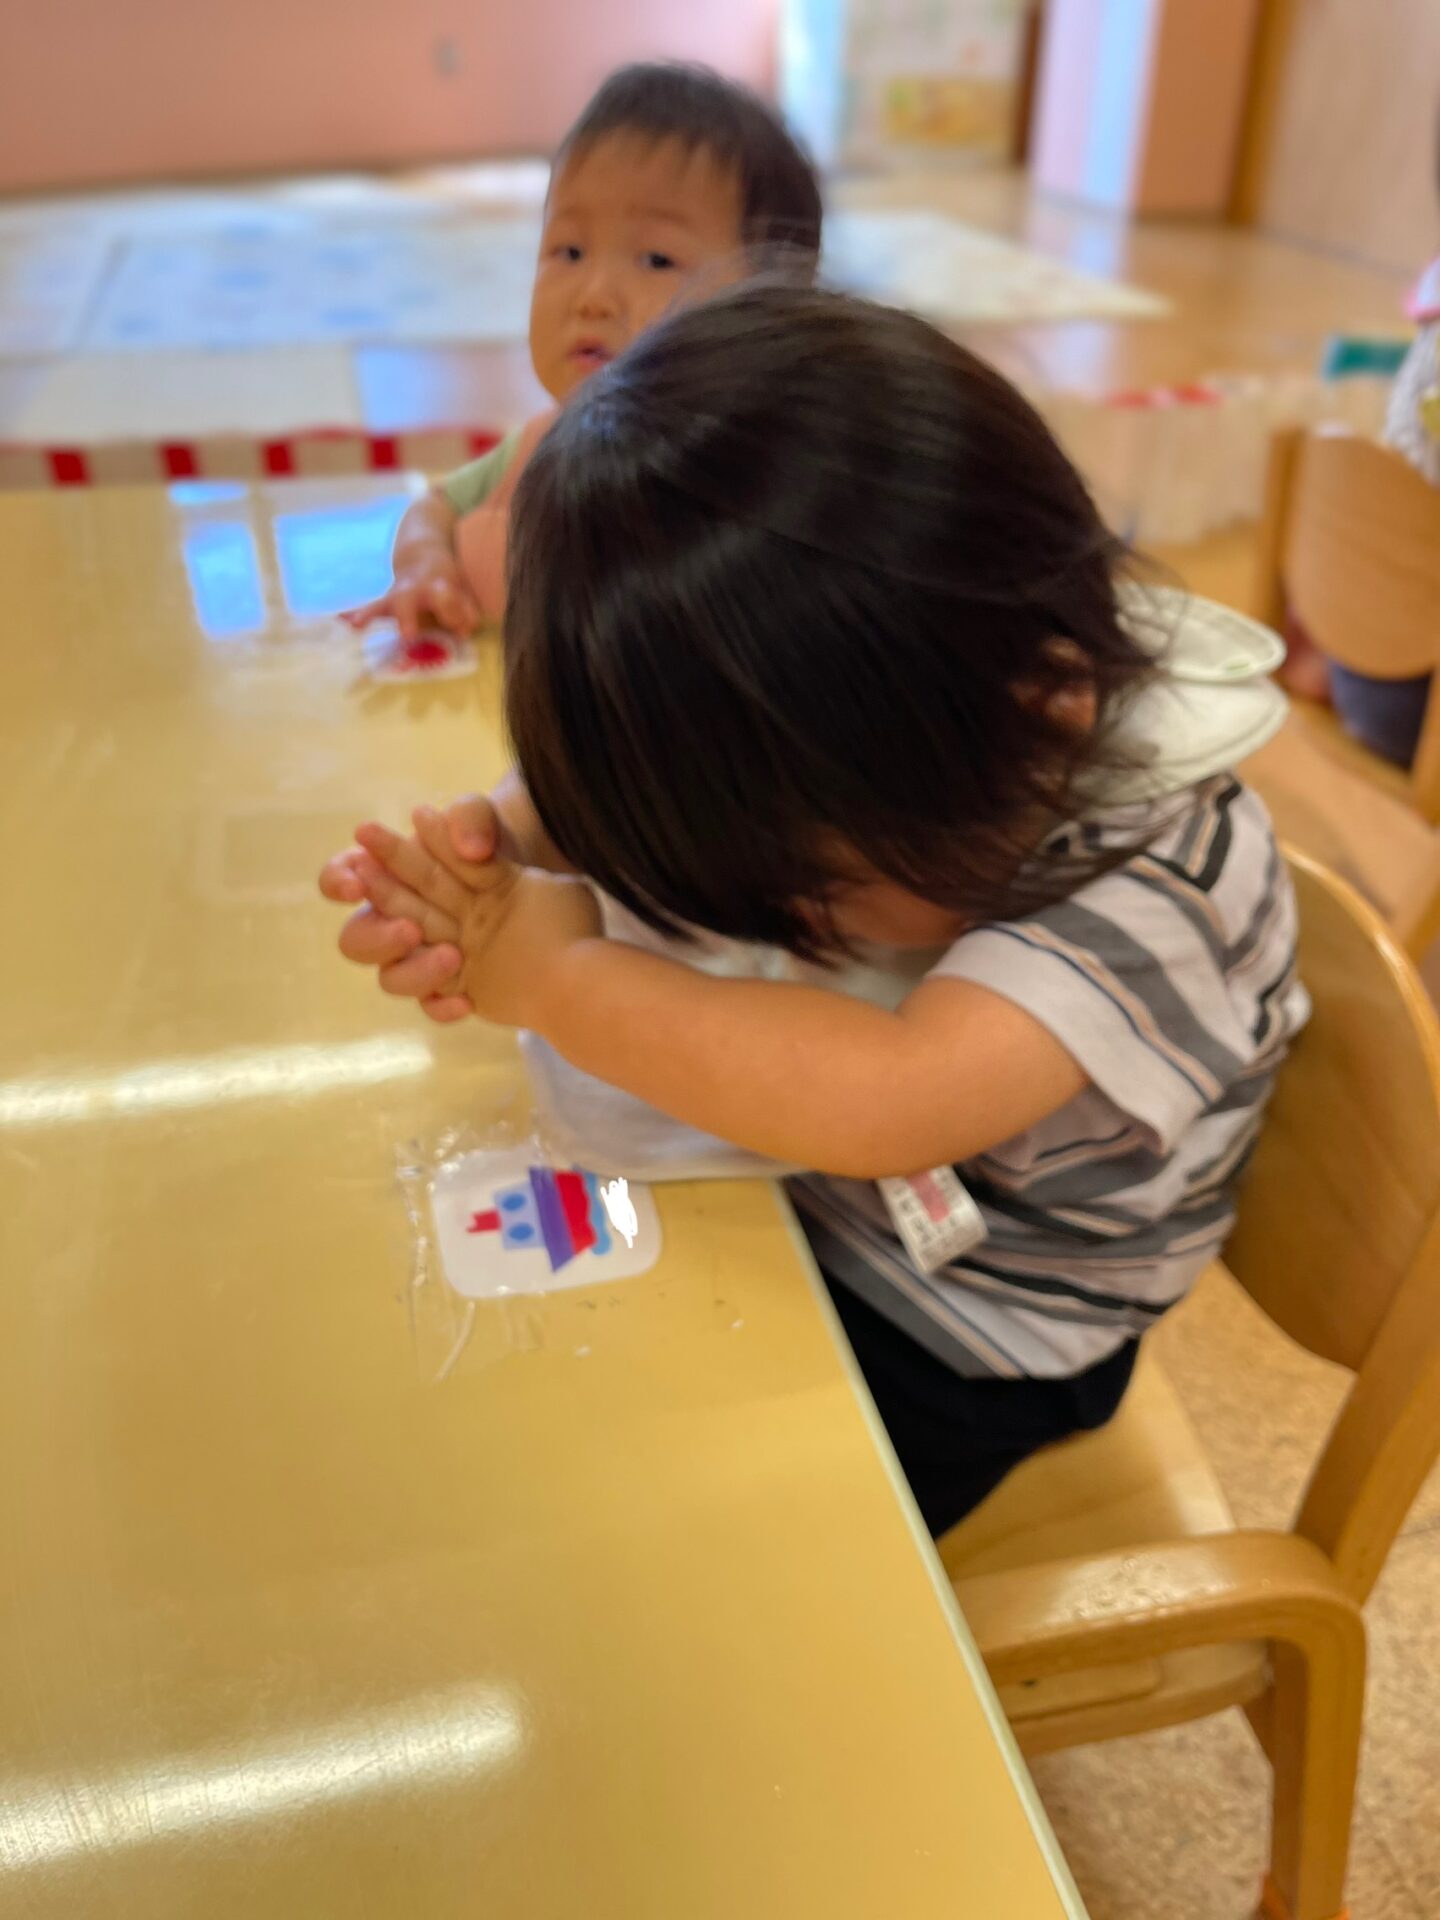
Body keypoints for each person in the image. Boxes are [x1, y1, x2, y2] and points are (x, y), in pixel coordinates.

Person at [320, 286, 1307, 1537]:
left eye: (805, 890)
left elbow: (892, 1098)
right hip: (832, 1209)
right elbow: (683, 787)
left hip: (974, 1332)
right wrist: (501, 844)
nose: (779, 921)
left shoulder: (1162, 890)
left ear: (1042, 708)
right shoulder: (946, 718)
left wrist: (557, 980)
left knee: (675, 1534)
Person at [345, 63, 822, 639]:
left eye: (657, 260)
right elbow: (435, 507)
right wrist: (424, 563)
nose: (592, 297)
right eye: (569, 251)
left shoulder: (746, 488)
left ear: (770, 311)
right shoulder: (535, 445)